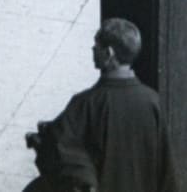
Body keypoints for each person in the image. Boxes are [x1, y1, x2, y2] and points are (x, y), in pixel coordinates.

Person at [23, 18, 178, 192]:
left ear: (109, 53)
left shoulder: (85, 104)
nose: (93, 50)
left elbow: (61, 152)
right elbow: (166, 169)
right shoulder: (152, 102)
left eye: (96, 46)